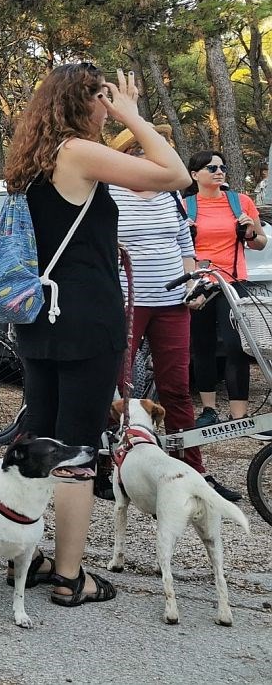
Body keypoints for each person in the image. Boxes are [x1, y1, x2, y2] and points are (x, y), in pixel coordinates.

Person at [1, 65, 188, 606]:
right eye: (103, 100)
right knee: (78, 451)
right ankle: (68, 575)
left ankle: (30, 556)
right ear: (85, 102)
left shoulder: (30, 162)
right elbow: (174, 173)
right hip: (85, 323)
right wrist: (134, 115)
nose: (109, 110)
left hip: (39, 322)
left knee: (39, 441)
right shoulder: (77, 152)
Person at [108, 129, 243, 502]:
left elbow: (185, 244)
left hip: (172, 304)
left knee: (178, 388)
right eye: (136, 150)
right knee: (118, 385)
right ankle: (111, 468)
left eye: (150, 149)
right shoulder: (109, 193)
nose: (146, 155)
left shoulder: (169, 194)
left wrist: (191, 285)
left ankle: (192, 470)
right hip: (127, 302)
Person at [184, 150, 268, 478]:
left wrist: (250, 230)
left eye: (222, 167)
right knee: (202, 346)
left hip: (234, 280)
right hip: (201, 282)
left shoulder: (240, 201)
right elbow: (177, 243)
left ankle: (239, 416)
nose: (219, 171)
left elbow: (259, 242)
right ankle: (207, 410)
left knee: (236, 346)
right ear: (195, 175)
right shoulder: (186, 205)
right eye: (211, 167)